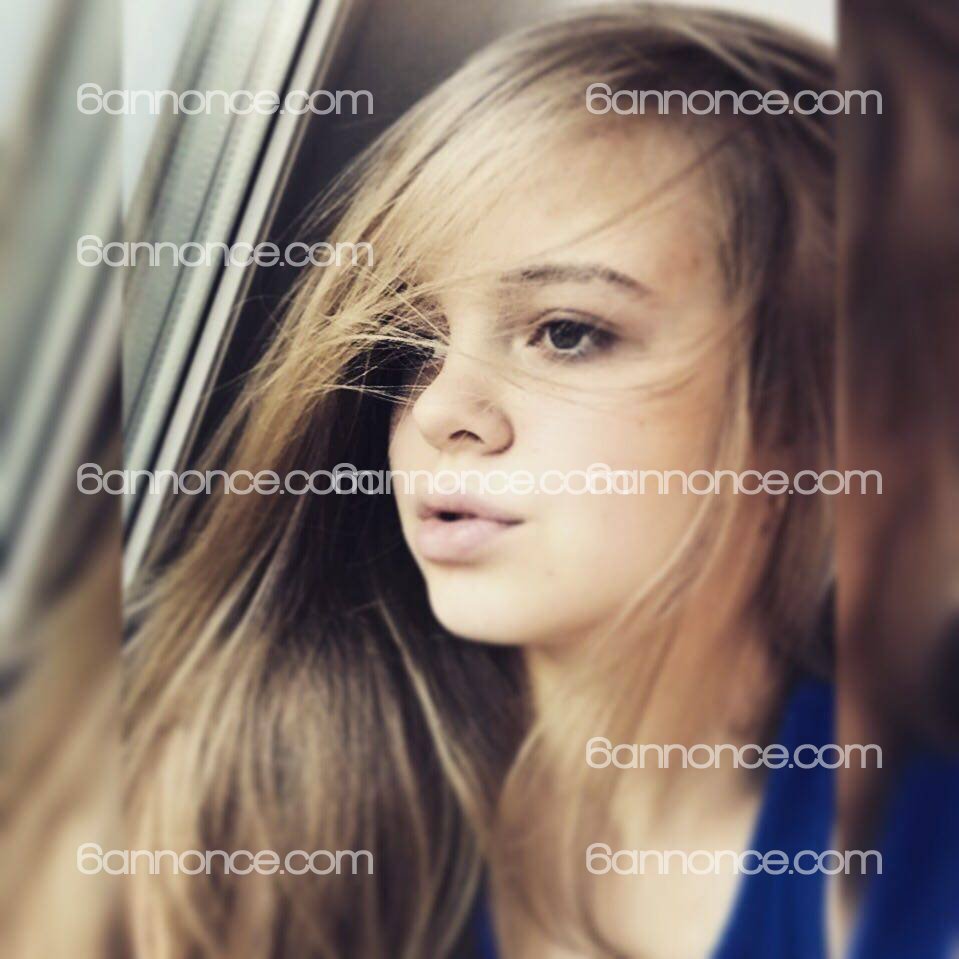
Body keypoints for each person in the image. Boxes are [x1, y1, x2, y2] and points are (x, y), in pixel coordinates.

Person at [124, 6, 840, 956]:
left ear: (808, 406)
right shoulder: (237, 816)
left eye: (566, 332)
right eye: (412, 343)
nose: (438, 410)